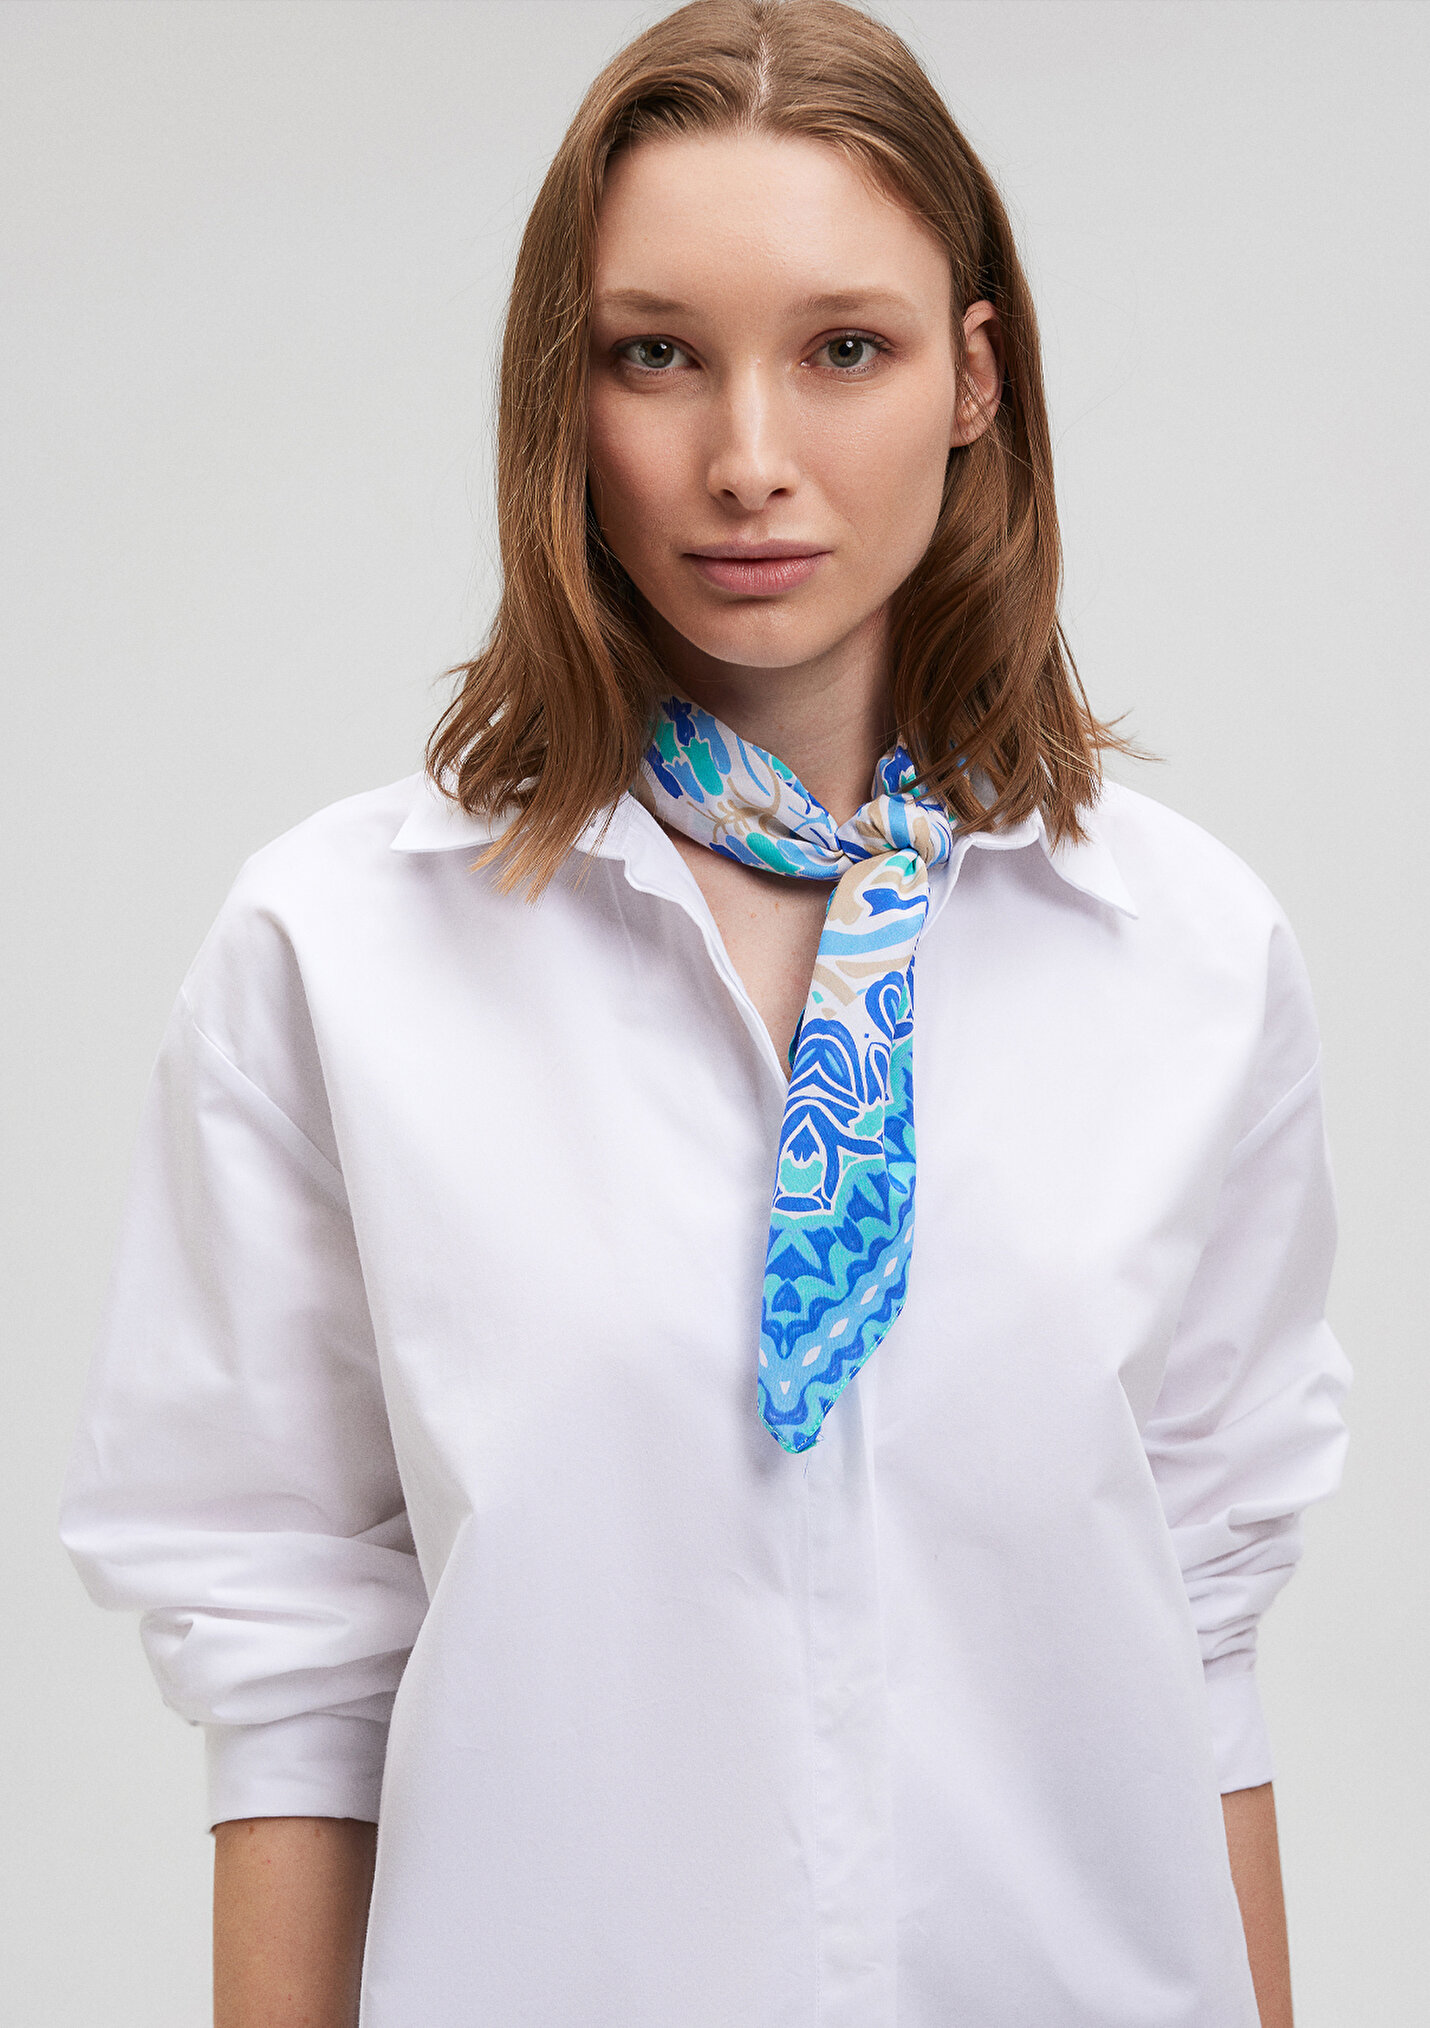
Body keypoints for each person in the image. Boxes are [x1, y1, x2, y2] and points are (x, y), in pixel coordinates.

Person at [60, 3, 1353, 2024]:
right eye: (655, 354)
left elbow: (1196, 1629)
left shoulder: (1180, 958)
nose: (748, 461)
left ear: (972, 379)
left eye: (844, 349)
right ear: (559, 397)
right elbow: (292, 1671)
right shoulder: (338, 957)